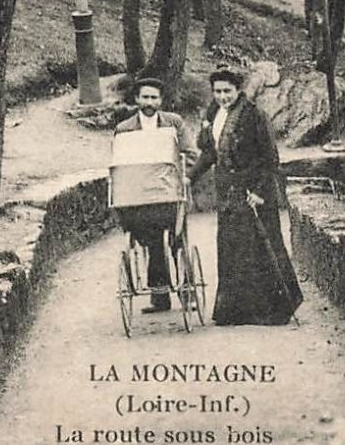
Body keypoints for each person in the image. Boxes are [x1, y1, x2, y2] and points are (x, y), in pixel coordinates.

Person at [186, 68, 303, 326]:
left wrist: (260, 191)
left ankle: (276, 309)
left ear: (238, 90)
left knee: (263, 245)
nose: (222, 96)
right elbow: (209, 154)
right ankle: (236, 312)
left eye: (227, 91)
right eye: (217, 91)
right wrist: (189, 177)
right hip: (228, 191)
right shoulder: (213, 114)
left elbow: (270, 158)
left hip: (254, 190)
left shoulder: (254, 115)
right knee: (232, 247)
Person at [112, 78, 196, 313]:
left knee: (178, 239)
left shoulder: (174, 123)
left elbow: (190, 153)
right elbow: (119, 163)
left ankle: (187, 293)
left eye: (154, 97)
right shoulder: (124, 129)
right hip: (139, 196)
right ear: (137, 99)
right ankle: (159, 296)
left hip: (169, 192)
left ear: (161, 100)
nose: (149, 102)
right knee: (152, 242)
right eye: (145, 97)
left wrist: (184, 176)